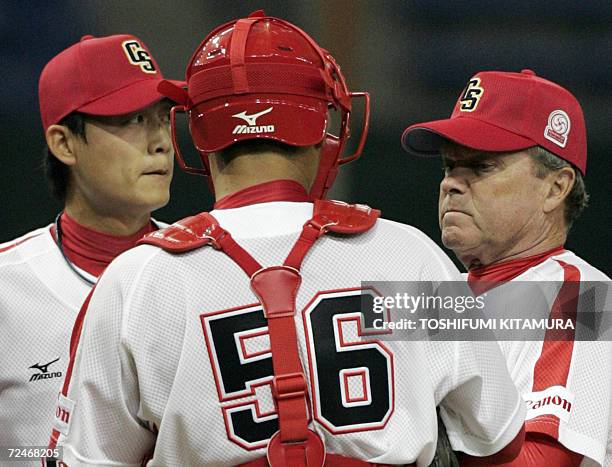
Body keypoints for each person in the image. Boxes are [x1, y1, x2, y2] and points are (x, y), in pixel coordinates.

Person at [47, 13, 525, 466]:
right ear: (322, 125)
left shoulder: (136, 278)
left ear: (196, 132)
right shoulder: (409, 255)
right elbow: (498, 441)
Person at [402, 69, 611, 466]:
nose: (451, 184)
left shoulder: (581, 299)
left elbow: (540, 462)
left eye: (481, 168)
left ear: (555, 187)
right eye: (449, 167)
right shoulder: (434, 300)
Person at [0, 33, 181, 463]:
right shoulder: (6, 287)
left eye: (162, 116)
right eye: (132, 120)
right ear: (63, 143)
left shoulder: (206, 267)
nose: (160, 142)